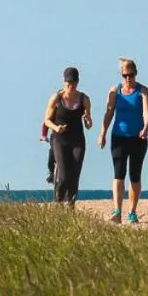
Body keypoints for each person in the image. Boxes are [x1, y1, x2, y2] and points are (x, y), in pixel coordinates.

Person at [98, 57, 148, 223]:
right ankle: (117, 211)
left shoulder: (143, 91)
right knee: (118, 174)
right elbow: (109, 113)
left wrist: (145, 128)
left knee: (134, 176)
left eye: (131, 75)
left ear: (136, 74)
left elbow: (147, 113)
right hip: (118, 137)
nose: (128, 78)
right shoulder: (116, 91)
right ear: (122, 75)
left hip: (138, 138)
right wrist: (103, 133)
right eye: (125, 75)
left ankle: (132, 211)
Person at [43, 67, 92, 207]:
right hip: (60, 139)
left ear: (77, 82)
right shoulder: (56, 98)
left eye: (73, 83)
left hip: (77, 140)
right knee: (64, 176)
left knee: (75, 175)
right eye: (68, 83)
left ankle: (71, 204)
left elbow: (89, 124)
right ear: (64, 82)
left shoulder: (84, 99)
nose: (71, 86)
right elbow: (46, 120)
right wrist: (56, 128)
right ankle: (58, 200)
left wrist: (87, 119)